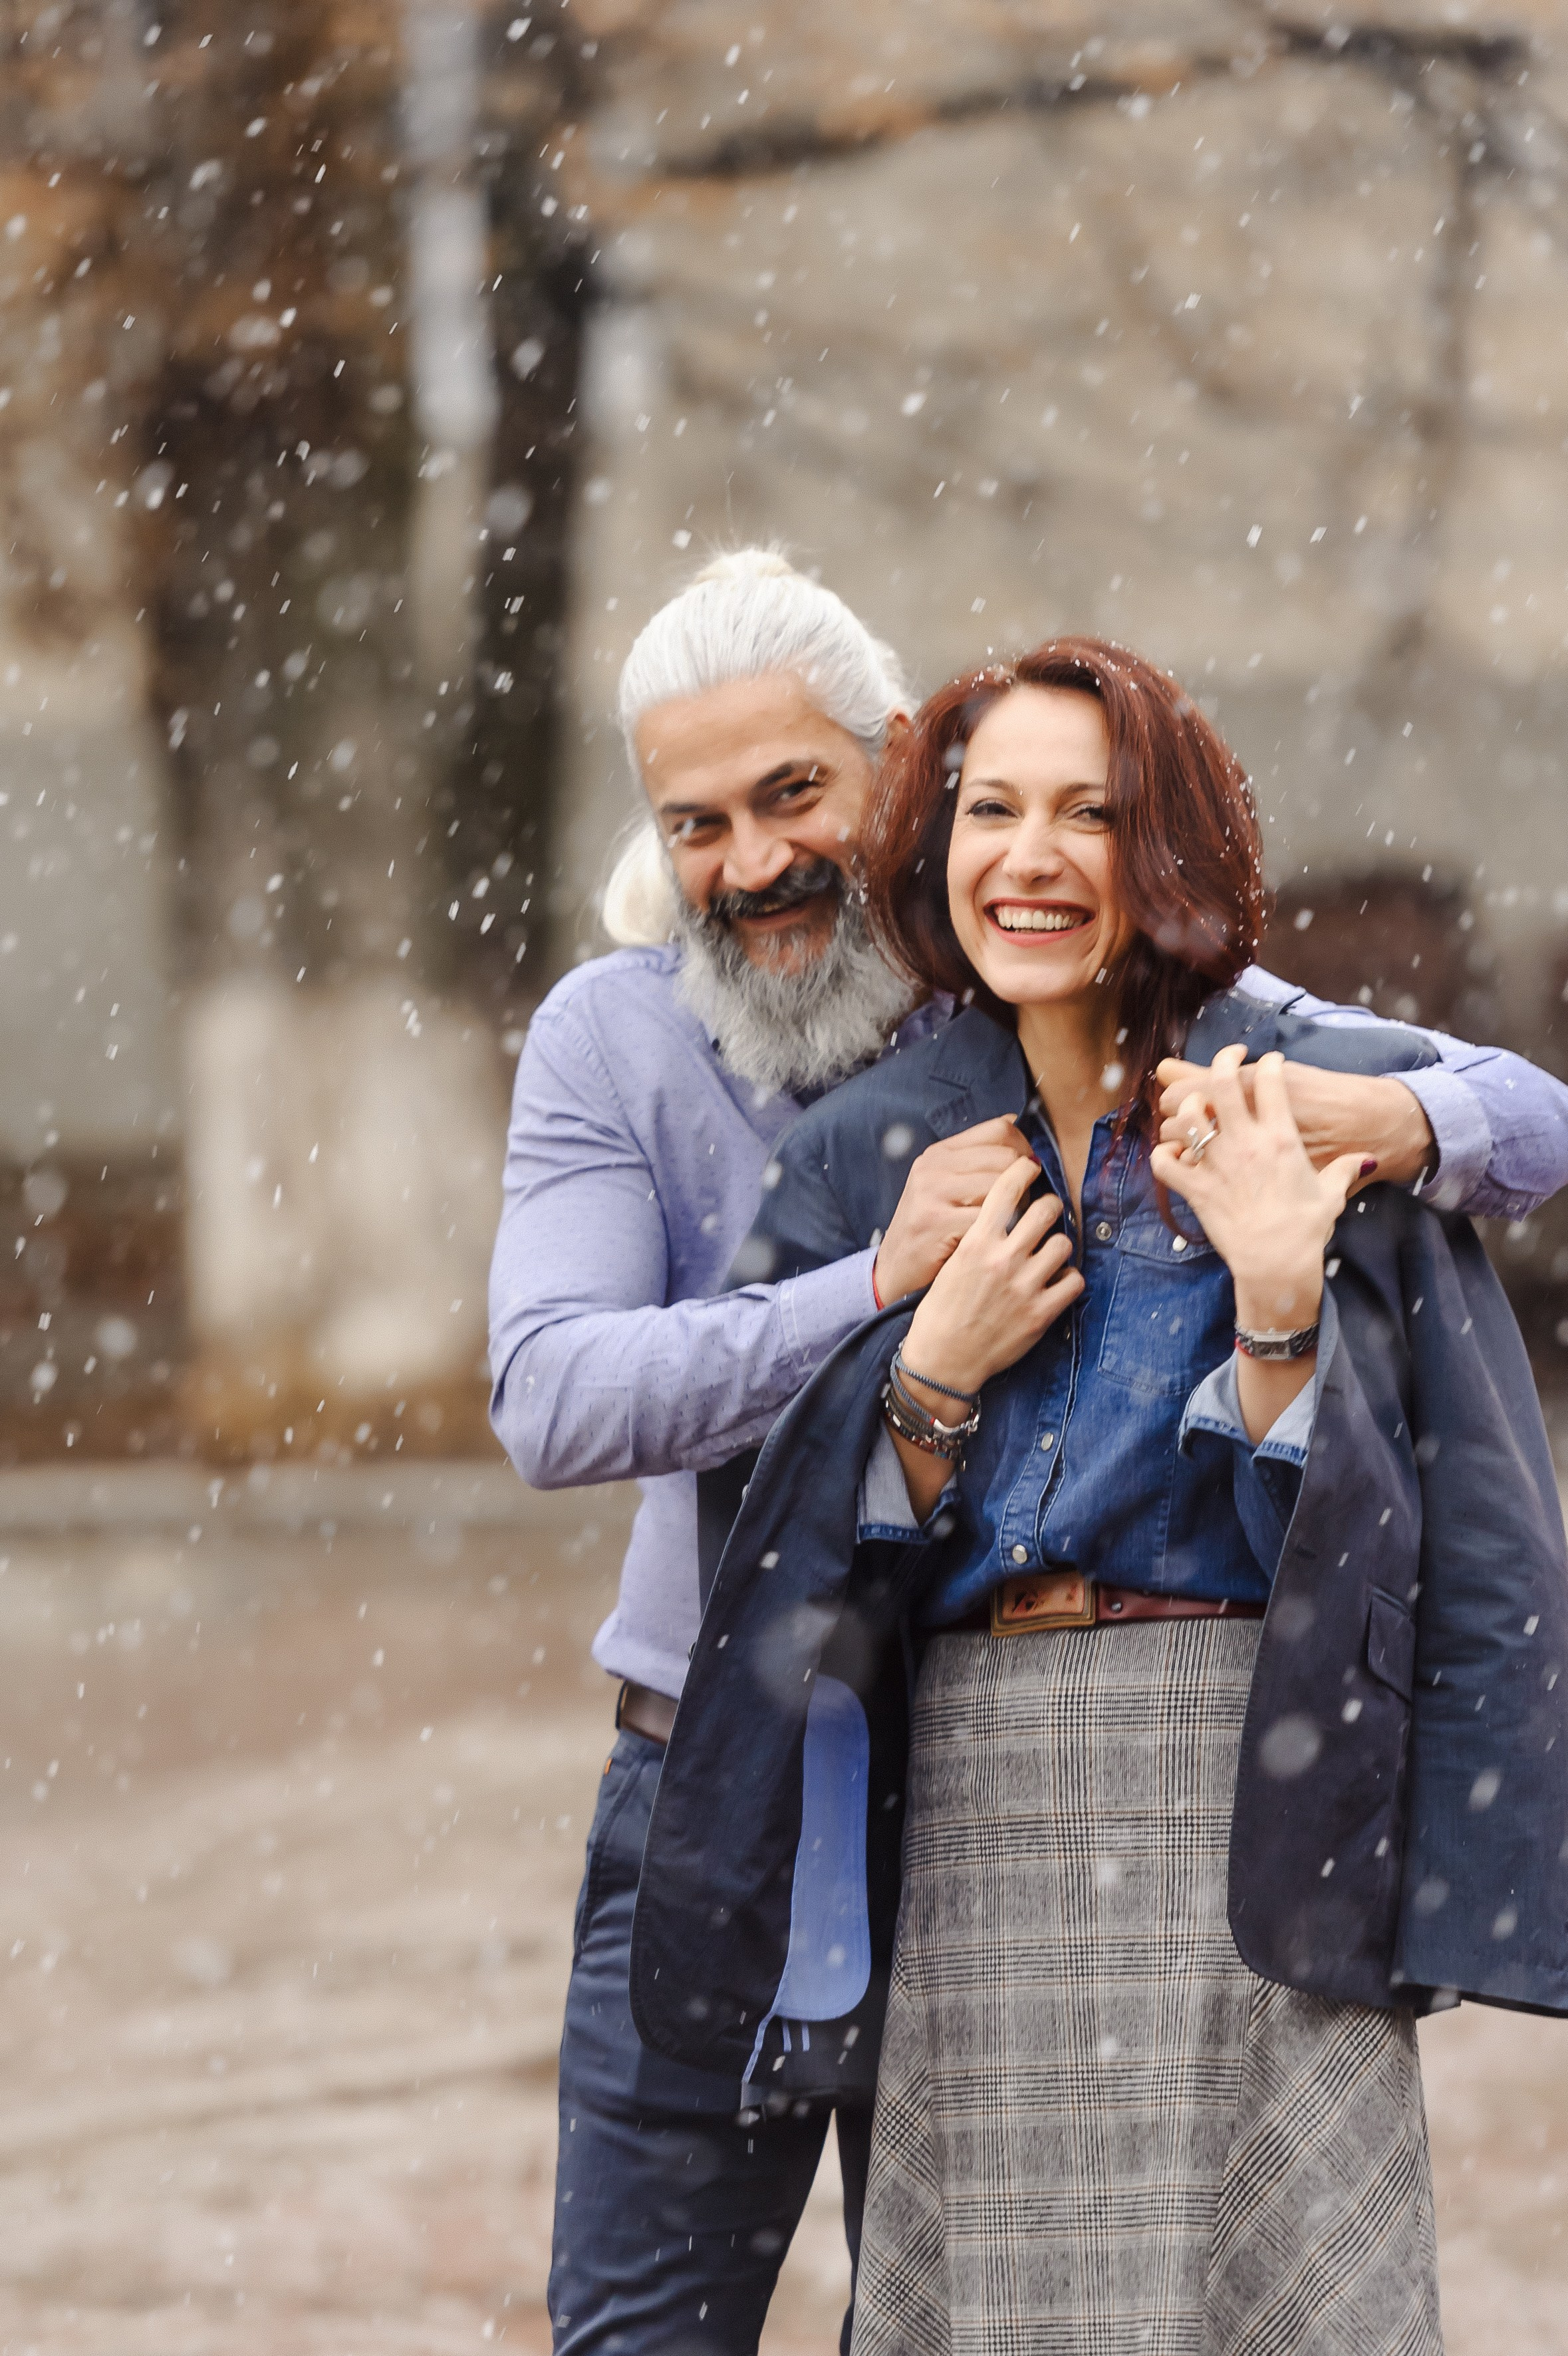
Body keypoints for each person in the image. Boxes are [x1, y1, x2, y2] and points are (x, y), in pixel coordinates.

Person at [489, 563, 1568, 2355]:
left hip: (1049, 1770)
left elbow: (1522, 1120)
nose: (753, 861)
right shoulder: (660, 1054)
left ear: (884, 780)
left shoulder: (1103, 1010)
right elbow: (559, 1404)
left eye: (792, 798)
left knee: (1071, 2299)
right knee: (660, 2324)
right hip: (738, 1761)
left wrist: (1382, 1130)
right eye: (697, 822)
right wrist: (891, 1303)